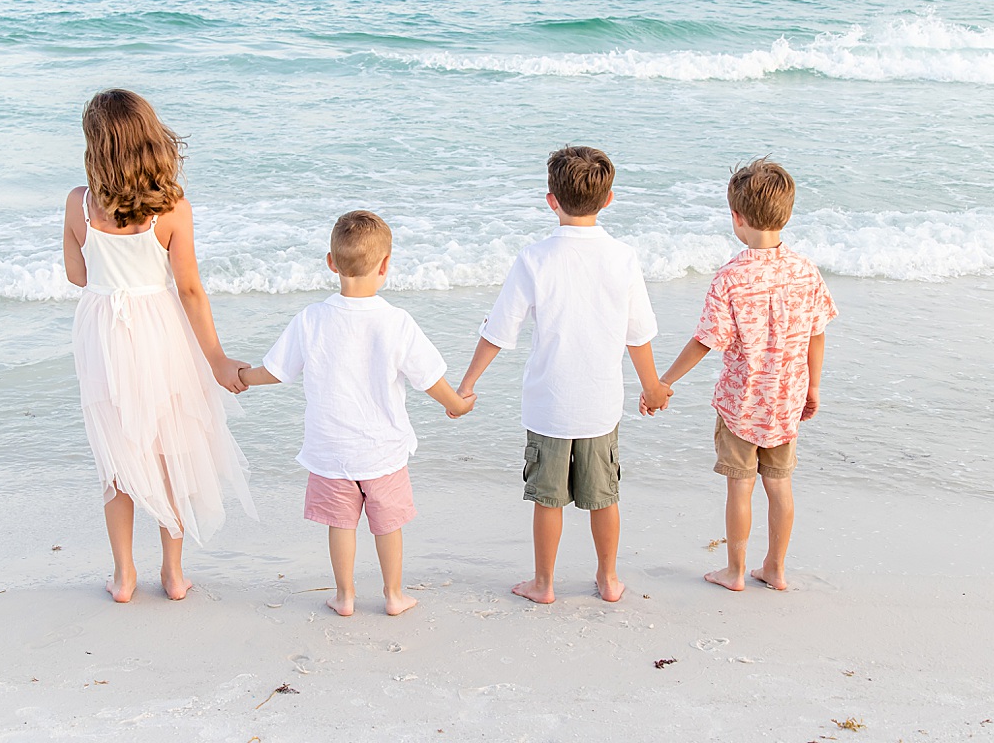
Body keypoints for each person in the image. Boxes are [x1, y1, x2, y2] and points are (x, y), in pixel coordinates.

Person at [62, 89, 257, 603]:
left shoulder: (78, 204)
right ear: (152, 141)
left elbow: (77, 276)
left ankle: (124, 577)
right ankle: (173, 574)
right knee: (171, 452)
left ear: (96, 148)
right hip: (161, 333)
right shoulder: (172, 210)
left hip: (103, 334)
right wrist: (216, 358)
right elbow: (190, 289)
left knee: (116, 455)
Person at [455, 146, 670, 605]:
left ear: (551, 199)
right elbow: (639, 336)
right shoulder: (623, 257)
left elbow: (499, 331)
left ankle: (544, 584)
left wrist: (467, 384)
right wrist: (652, 388)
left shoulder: (534, 259)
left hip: (548, 405)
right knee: (604, 497)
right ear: (608, 199)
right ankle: (609, 579)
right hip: (601, 405)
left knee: (547, 500)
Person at [239, 210, 474, 617]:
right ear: (385, 266)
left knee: (341, 525)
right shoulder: (396, 322)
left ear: (331, 263)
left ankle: (345, 596)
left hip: (331, 451)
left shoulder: (311, 319)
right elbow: (428, 378)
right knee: (388, 526)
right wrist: (456, 404)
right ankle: (394, 595)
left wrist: (242, 375)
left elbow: (276, 372)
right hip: (383, 451)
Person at [659, 158, 838, 592]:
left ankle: (735, 571)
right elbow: (818, 334)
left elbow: (705, 341)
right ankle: (775, 569)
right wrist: (813, 386)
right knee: (780, 486)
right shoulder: (805, 271)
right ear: (788, 214)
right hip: (786, 400)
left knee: (740, 488)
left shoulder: (731, 277)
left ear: (736, 219)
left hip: (741, 404)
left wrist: (664, 381)